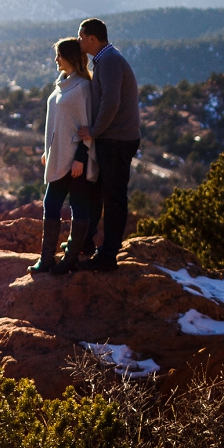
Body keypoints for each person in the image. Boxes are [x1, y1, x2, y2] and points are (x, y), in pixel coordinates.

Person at [74, 17, 140, 272]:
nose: (79, 41)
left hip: (116, 140)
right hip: (113, 138)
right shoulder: (106, 59)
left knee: (113, 198)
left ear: (92, 38)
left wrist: (93, 131)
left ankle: (109, 255)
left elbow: (111, 102)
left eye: (81, 37)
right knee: (102, 193)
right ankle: (94, 246)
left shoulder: (110, 61)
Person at [30, 37, 94, 275]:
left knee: (78, 205)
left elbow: (87, 125)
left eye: (59, 55)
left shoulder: (82, 88)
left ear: (69, 57)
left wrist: (80, 156)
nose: (56, 59)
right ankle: (46, 259)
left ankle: (70, 260)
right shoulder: (62, 84)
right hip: (58, 156)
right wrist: (49, 151)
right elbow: (56, 123)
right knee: (51, 204)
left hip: (77, 158)